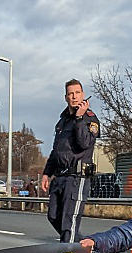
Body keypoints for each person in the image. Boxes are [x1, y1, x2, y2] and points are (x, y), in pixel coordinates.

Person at [40, 78, 100, 243]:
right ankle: (84, 248)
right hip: (60, 177)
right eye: (70, 94)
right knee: (53, 216)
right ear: (65, 97)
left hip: (77, 178)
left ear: (83, 95)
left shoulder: (90, 119)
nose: (74, 97)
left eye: (77, 93)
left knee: (69, 224)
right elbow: (56, 150)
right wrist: (46, 174)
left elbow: (84, 143)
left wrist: (79, 119)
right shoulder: (62, 121)